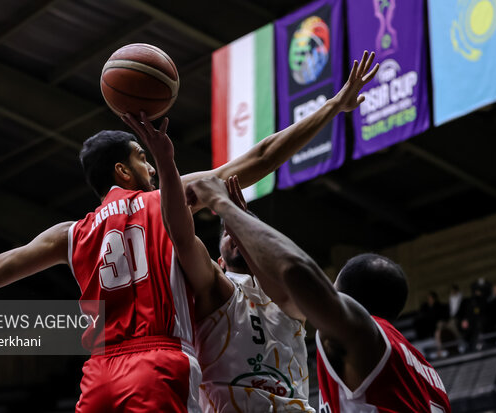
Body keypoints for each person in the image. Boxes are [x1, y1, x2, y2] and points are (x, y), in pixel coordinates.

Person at [0, 51, 378, 412]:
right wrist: (331, 107)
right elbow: (261, 157)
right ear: (122, 170)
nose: (151, 165)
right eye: (142, 158)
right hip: (159, 362)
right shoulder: (167, 198)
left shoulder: (69, 233)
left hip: (98, 375)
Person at [122, 52, 378, 412]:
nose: (150, 168)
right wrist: (166, 164)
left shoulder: (286, 295)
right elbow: (182, 236)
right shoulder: (209, 277)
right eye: (142, 159)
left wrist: (333, 105)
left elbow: (263, 157)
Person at [184, 176, 451, 412]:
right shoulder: (424, 371)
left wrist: (225, 207)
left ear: (343, 299)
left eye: (330, 287)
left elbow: (294, 272)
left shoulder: (354, 333)